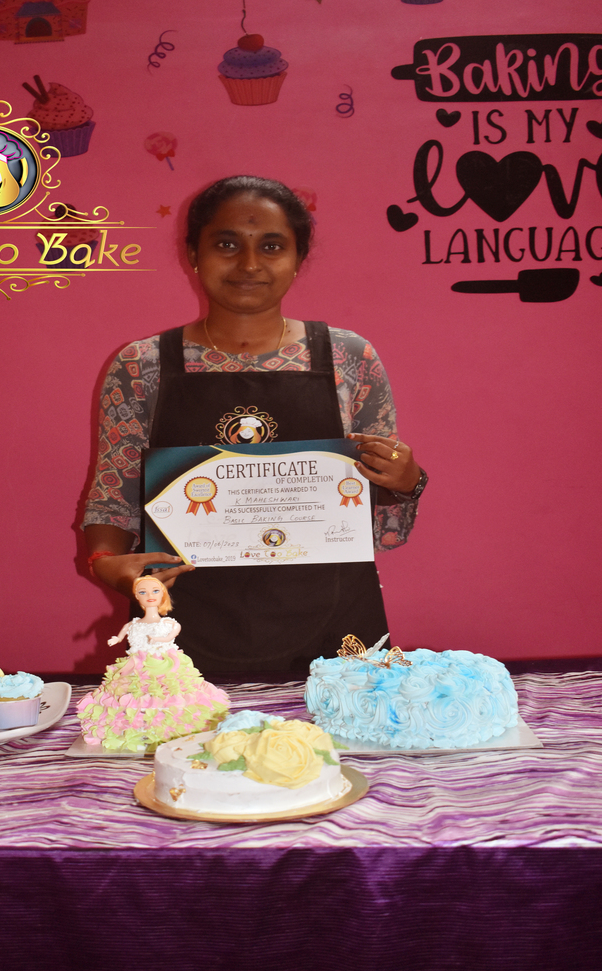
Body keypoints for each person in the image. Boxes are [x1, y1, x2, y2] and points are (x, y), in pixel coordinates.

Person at [83, 175, 427, 677]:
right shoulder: (141, 365)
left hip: (336, 618)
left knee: (345, 726)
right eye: (226, 244)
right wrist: (105, 563)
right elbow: (112, 495)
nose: (248, 265)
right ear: (193, 253)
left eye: (271, 246)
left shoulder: (350, 358)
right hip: (182, 618)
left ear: (298, 258)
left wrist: (406, 480)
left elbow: (377, 507)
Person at [76, 575, 229, 751]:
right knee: (122, 694)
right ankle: (131, 730)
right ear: (137, 596)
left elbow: (169, 637)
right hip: (135, 665)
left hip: (165, 664)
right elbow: (120, 636)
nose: (150, 595)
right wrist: (115, 639)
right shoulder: (133, 624)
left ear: (162, 594)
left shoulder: (169, 623)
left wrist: (158, 639)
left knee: (176, 696)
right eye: (143, 592)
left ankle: (176, 729)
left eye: (155, 591)